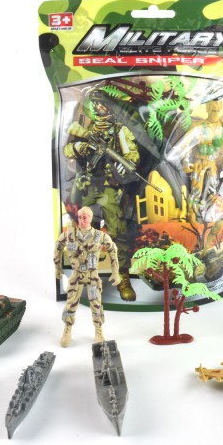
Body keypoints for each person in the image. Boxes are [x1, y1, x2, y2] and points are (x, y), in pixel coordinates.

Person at [63, 90, 139, 301]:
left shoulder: (119, 130)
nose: (98, 108)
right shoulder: (87, 129)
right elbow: (67, 150)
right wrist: (80, 147)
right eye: (95, 104)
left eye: (102, 104)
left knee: (117, 230)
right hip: (87, 186)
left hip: (108, 187)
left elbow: (131, 155)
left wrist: (126, 165)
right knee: (84, 231)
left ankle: (122, 275)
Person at [53, 206, 121, 347]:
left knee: (96, 304)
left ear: (90, 218)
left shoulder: (99, 236)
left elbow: (113, 249)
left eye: (85, 217)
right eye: (80, 217)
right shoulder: (70, 235)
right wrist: (57, 267)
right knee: (71, 304)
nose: (82, 220)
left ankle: (98, 331)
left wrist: (115, 272)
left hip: (92, 276)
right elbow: (58, 247)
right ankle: (67, 330)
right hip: (76, 275)